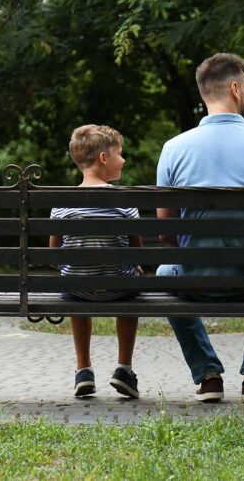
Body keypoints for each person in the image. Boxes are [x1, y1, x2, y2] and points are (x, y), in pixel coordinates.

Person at [155, 53, 244, 403]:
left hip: (196, 281)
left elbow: (165, 229)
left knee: (163, 271)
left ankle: (207, 376)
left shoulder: (173, 149)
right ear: (235, 88)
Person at [49, 124, 143, 399]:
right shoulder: (124, 201)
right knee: (130, 279)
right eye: (120, 154)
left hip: (77, 290)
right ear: (104, 158)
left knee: (75, 279)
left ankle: (83, 371)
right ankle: (124, 368)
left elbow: (54, 256)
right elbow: (138, 253)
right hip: (119, 289)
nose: (123, 160)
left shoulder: (62, 204)